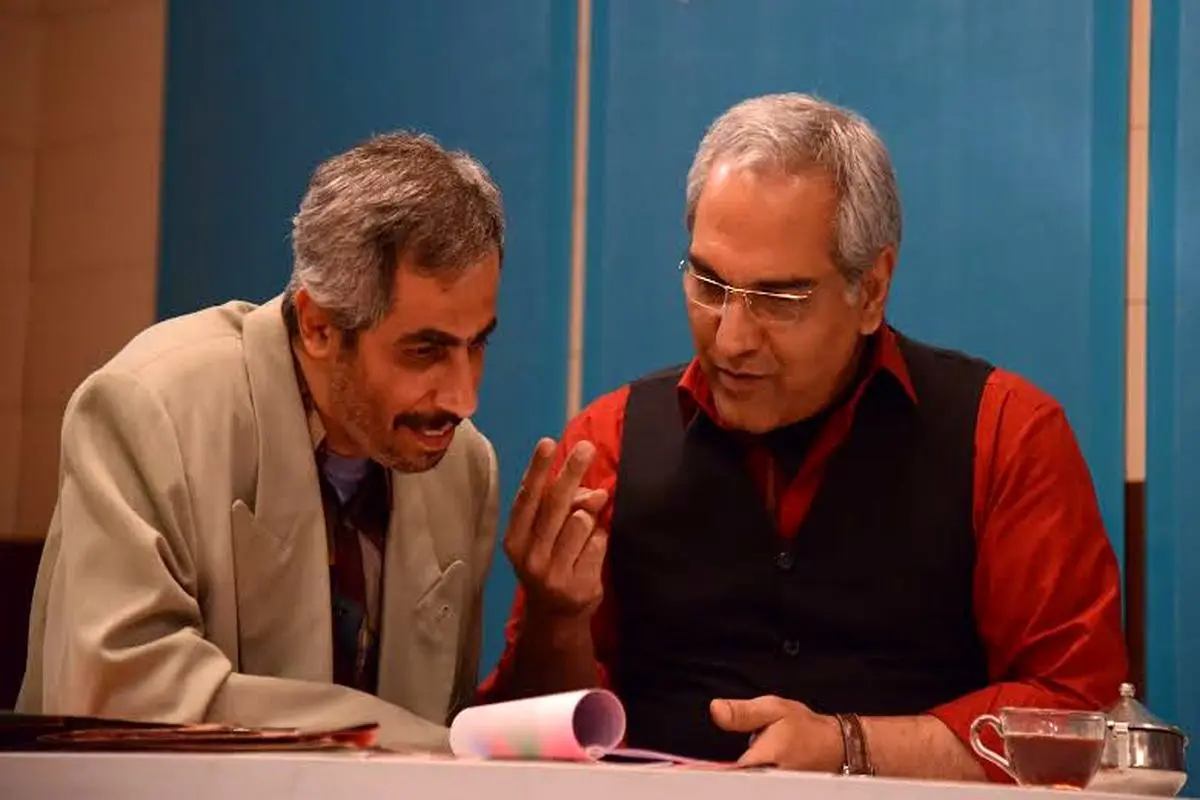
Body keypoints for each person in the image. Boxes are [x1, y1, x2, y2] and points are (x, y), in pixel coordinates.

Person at [478, 94, 1129, 780]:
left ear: (871, 290)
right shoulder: (607, 441)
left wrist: (854, 748)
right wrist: (556, 618)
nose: (731, 340)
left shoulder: (1005, 435)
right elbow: (532, 744)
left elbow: (1074, 714)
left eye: (778, 299)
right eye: (709, 285)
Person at [17, 132, 595, 752]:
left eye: (476, 344)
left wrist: (554, 616)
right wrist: (427, 746)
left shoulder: (465, 466)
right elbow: (121, 700)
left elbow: (446, 726)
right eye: (424, 350)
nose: (463, 398)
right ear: (318, 326)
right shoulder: (149, 407)